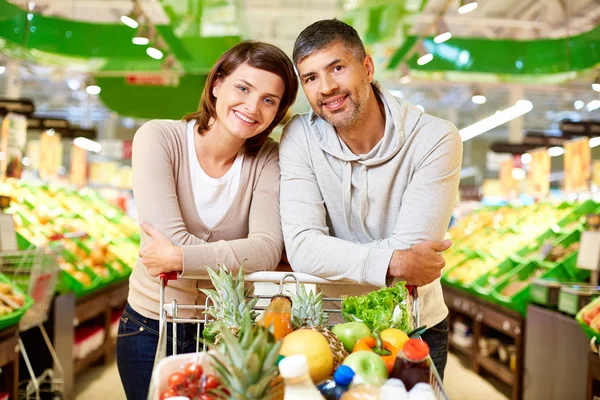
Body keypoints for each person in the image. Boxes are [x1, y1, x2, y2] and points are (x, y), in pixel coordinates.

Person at [279, 19, 462, 378]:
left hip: (411, 327)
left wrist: (336, 256)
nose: (327, 88)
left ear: (367, 67)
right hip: (325, 330)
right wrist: (394, 260)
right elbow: (302, 246)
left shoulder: (435, 139)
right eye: (311, 78)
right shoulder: (299, 136)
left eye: (336, 68)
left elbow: (415, 250)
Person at [116, 41, 298, 400]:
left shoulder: (269, 159)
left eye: (269, 100)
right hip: (152, 327)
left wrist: (181, 258)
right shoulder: (159, 139)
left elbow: (265, 250)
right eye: (243, 88)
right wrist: (230, 256)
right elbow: (165, 239)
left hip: (226, 333)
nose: (252, 107)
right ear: (216, 84)